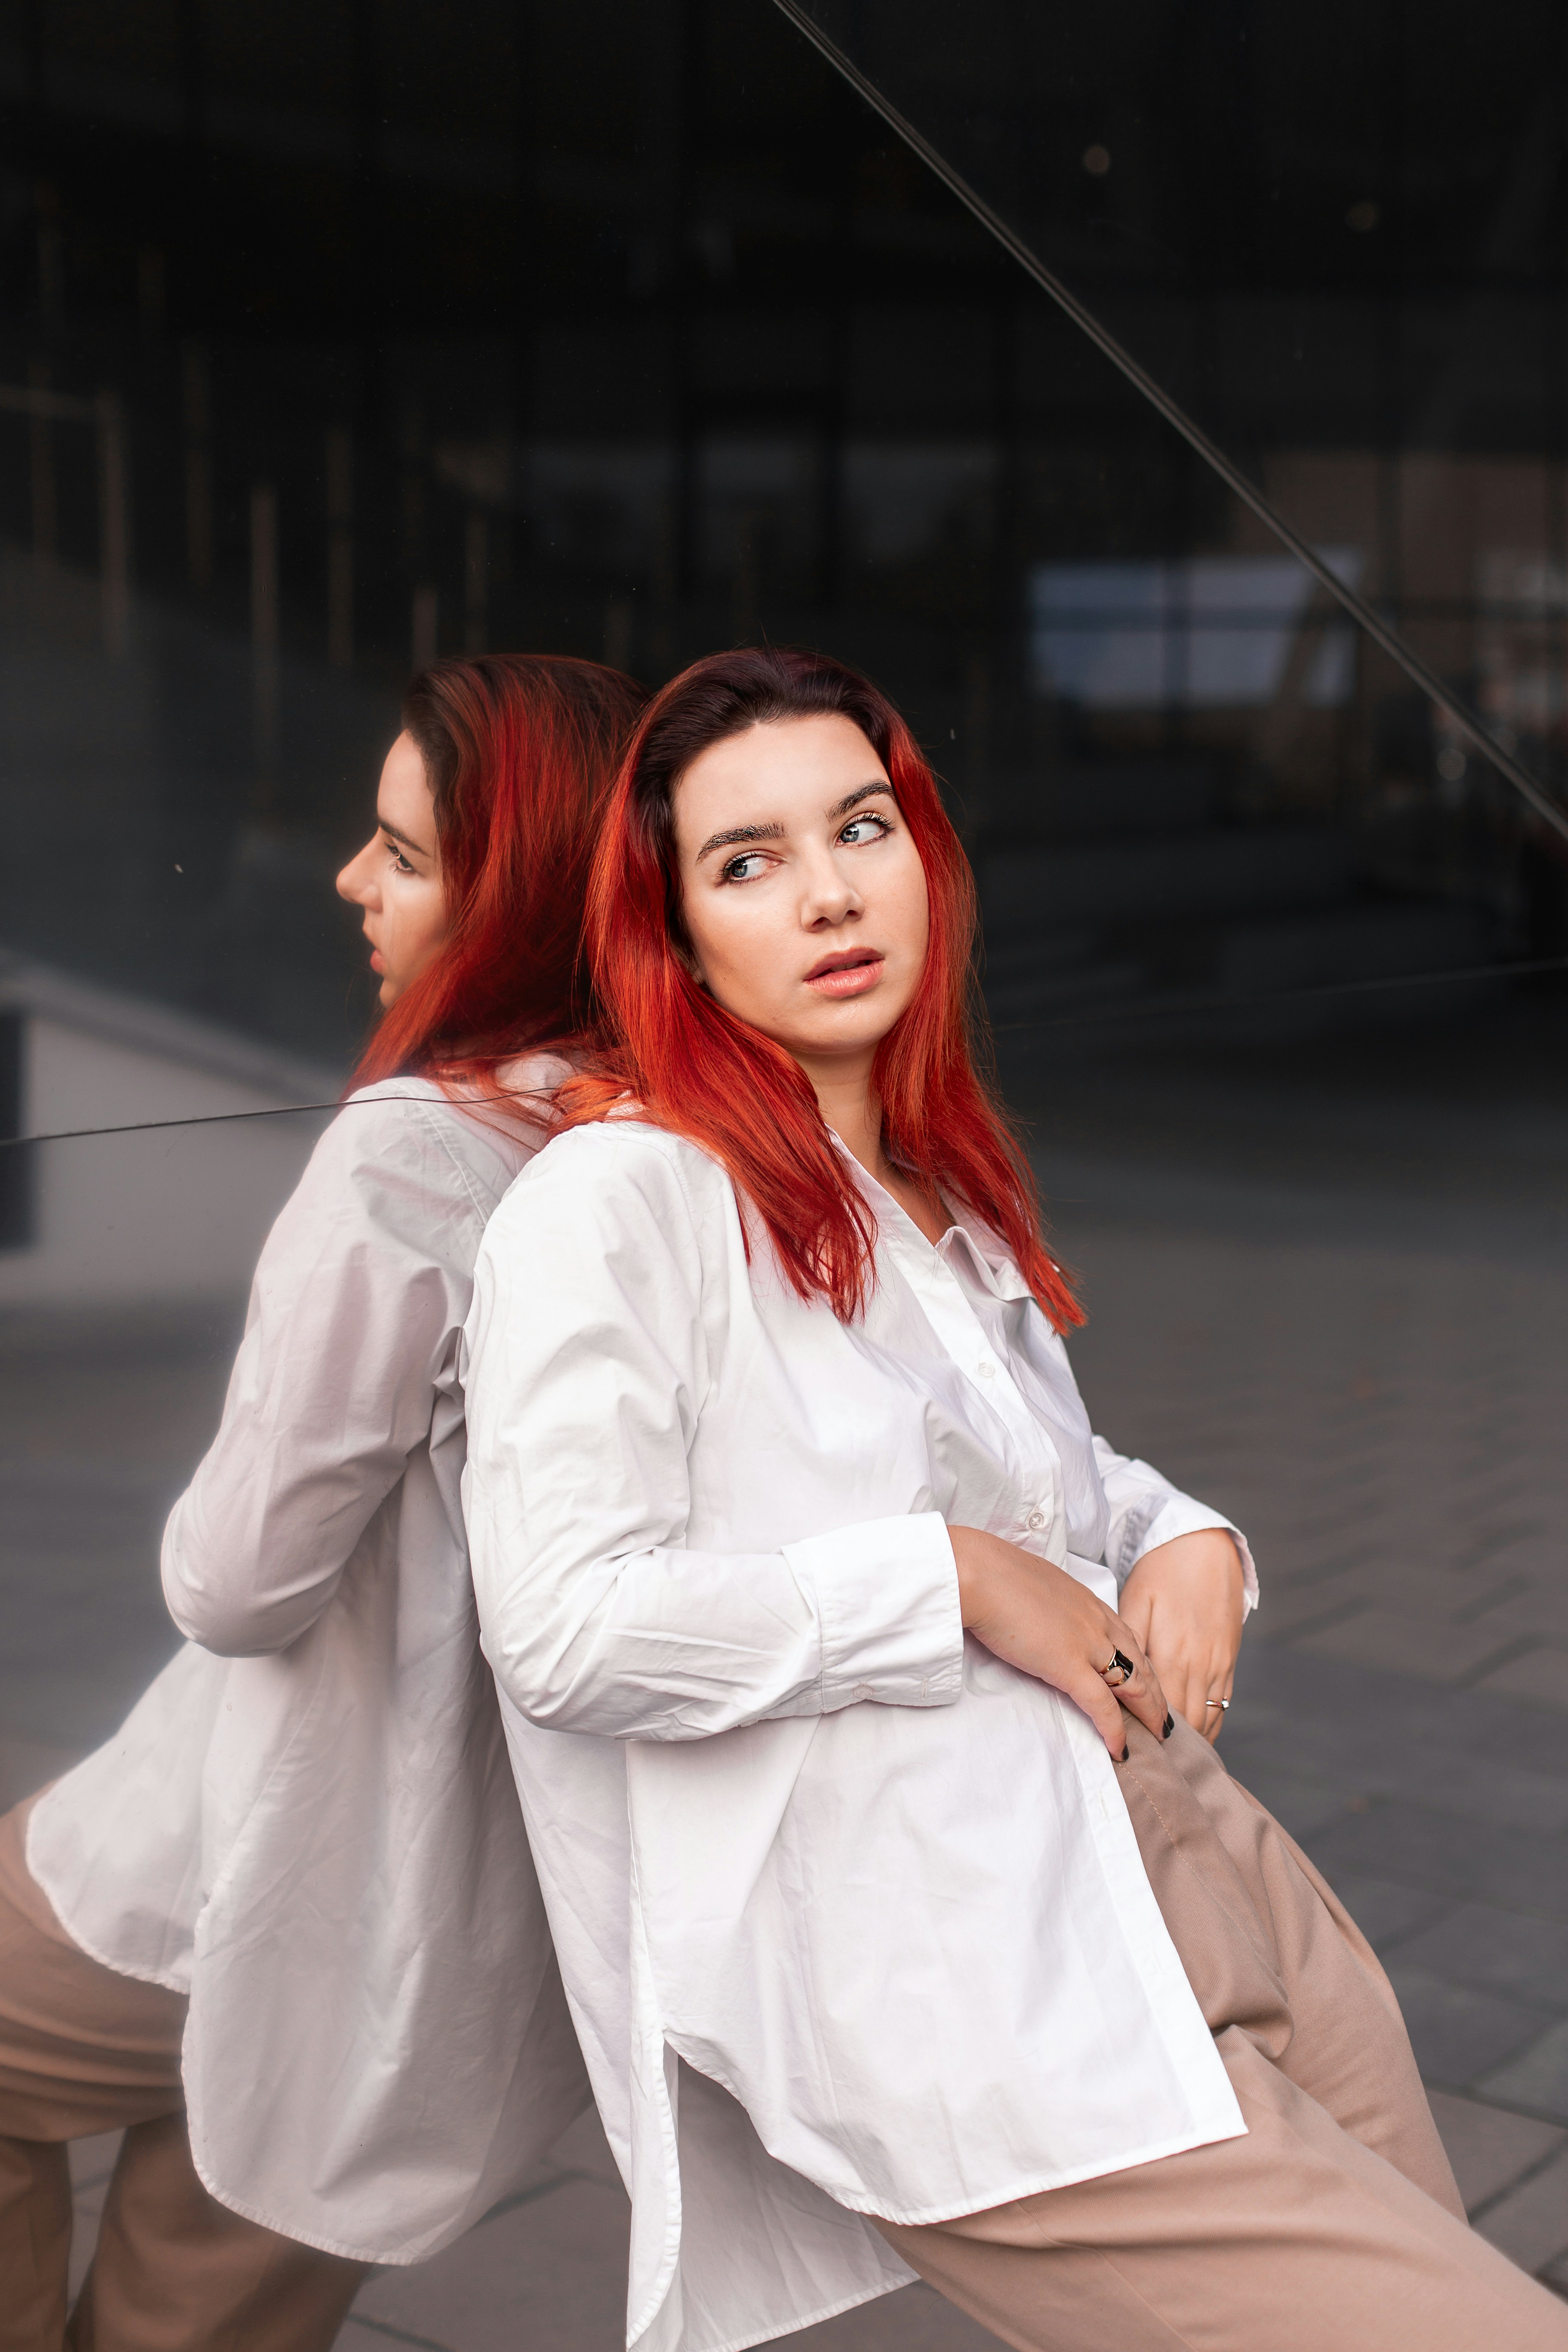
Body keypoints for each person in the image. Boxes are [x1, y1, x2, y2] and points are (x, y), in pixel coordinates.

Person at [462, 645, 1568, 2352]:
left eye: (862, 826)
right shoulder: (618, 1205)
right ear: (673, 932)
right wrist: (957, 1582)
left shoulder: (920, 1189)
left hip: (1184, 1848)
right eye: (748, 863)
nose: (830, 894)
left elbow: (1052, 1482)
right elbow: (566, 1627)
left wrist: (1189, 1532)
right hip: (962, 1974)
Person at [0, 652, 648, 2352]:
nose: (352, 881)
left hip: (263, 1840)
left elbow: (236, 1582)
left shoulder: (413, 1157)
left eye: (407, 854)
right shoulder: (667, 1151)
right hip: (455, 1928)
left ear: (511, 904)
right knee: (207, 2298)